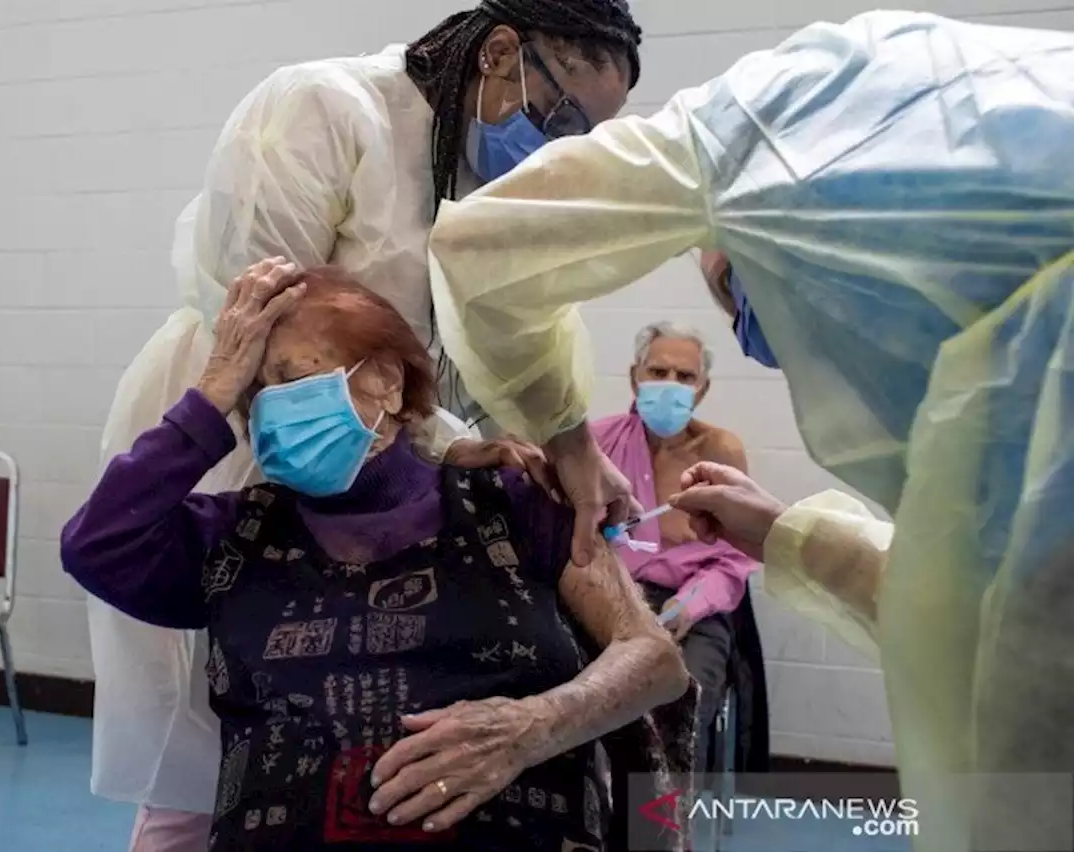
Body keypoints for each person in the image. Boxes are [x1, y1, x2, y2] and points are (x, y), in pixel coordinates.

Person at [425, 11, 1074, 850]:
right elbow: (973, 599)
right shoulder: (1016, 449)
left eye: (742, 298)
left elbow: (487, 249)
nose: (759, 346)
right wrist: (786, 535)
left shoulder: (787, 126)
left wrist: (569, 444)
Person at [89, 1, 644, 846]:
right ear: (501, 53)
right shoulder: (321, 110)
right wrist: (441, 436)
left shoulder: (488, 182)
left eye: (583, 138)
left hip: (391, 453)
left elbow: (528, 318)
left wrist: (568, 441)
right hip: (256, 438)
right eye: (561, 114)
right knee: (223, 738)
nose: (557, 148)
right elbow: (282, 329)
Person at [63, 260, 693, 852]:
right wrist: (208, 395)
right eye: (250, 396)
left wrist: (531, 726)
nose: (268, 410)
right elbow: (97, 545)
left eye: (290, 378)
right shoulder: (236, 537)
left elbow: (654, 659)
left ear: (386, 380)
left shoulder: (510, 500)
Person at [592, 321, 758, 778]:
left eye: (684, 378)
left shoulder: (720, 452)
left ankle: (658, 828)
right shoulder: (596, 442)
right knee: (574, 693)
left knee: (680, 703)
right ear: (634, 377)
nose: (670, 386)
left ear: (702, 390)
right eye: (657, 371)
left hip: (690, 607)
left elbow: (733, 559)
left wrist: (686, 608)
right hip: (610, 595)